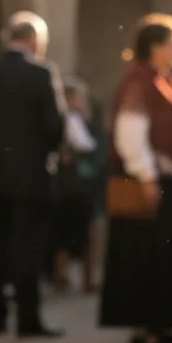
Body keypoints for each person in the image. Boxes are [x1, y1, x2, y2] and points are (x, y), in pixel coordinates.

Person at [0, 13, 66, 338]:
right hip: (30, 177)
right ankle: (27, 319)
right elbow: (54, 127)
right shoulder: (41, 73)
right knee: (27, 248)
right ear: (34, 42)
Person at [99, 15, 172, 343]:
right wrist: (147, 176)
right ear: (155, 47)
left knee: (160, 255)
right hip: (148, 181)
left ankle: (159, 323)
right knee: (147, 254)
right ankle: (148, 327)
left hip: (166, 180)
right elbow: (130, 133)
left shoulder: (162, 80)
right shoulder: (140, 82)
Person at [50, 77, 100, 292]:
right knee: (78, 231)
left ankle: (62, 276)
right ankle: (77, 278)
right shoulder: (71, 118)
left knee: (66, 231)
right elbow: (85, 144)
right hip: (74, 183)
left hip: (67, 182)